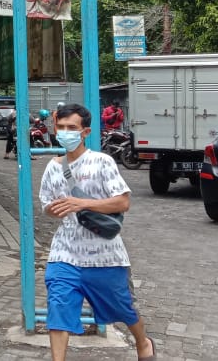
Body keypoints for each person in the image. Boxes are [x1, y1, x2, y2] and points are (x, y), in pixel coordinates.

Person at [38, 103, 155, 361]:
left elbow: (122, 202)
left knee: (124, 309)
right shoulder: (52, 167)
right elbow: (46, 204)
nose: (65, 132)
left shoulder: (102, 162)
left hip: (105, 256)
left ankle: (142, 341)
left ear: (85, 132)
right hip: (64, 254)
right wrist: (54, 210)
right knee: (58, 308)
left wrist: (82, 203)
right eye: (61, 127)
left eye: (72, 128)